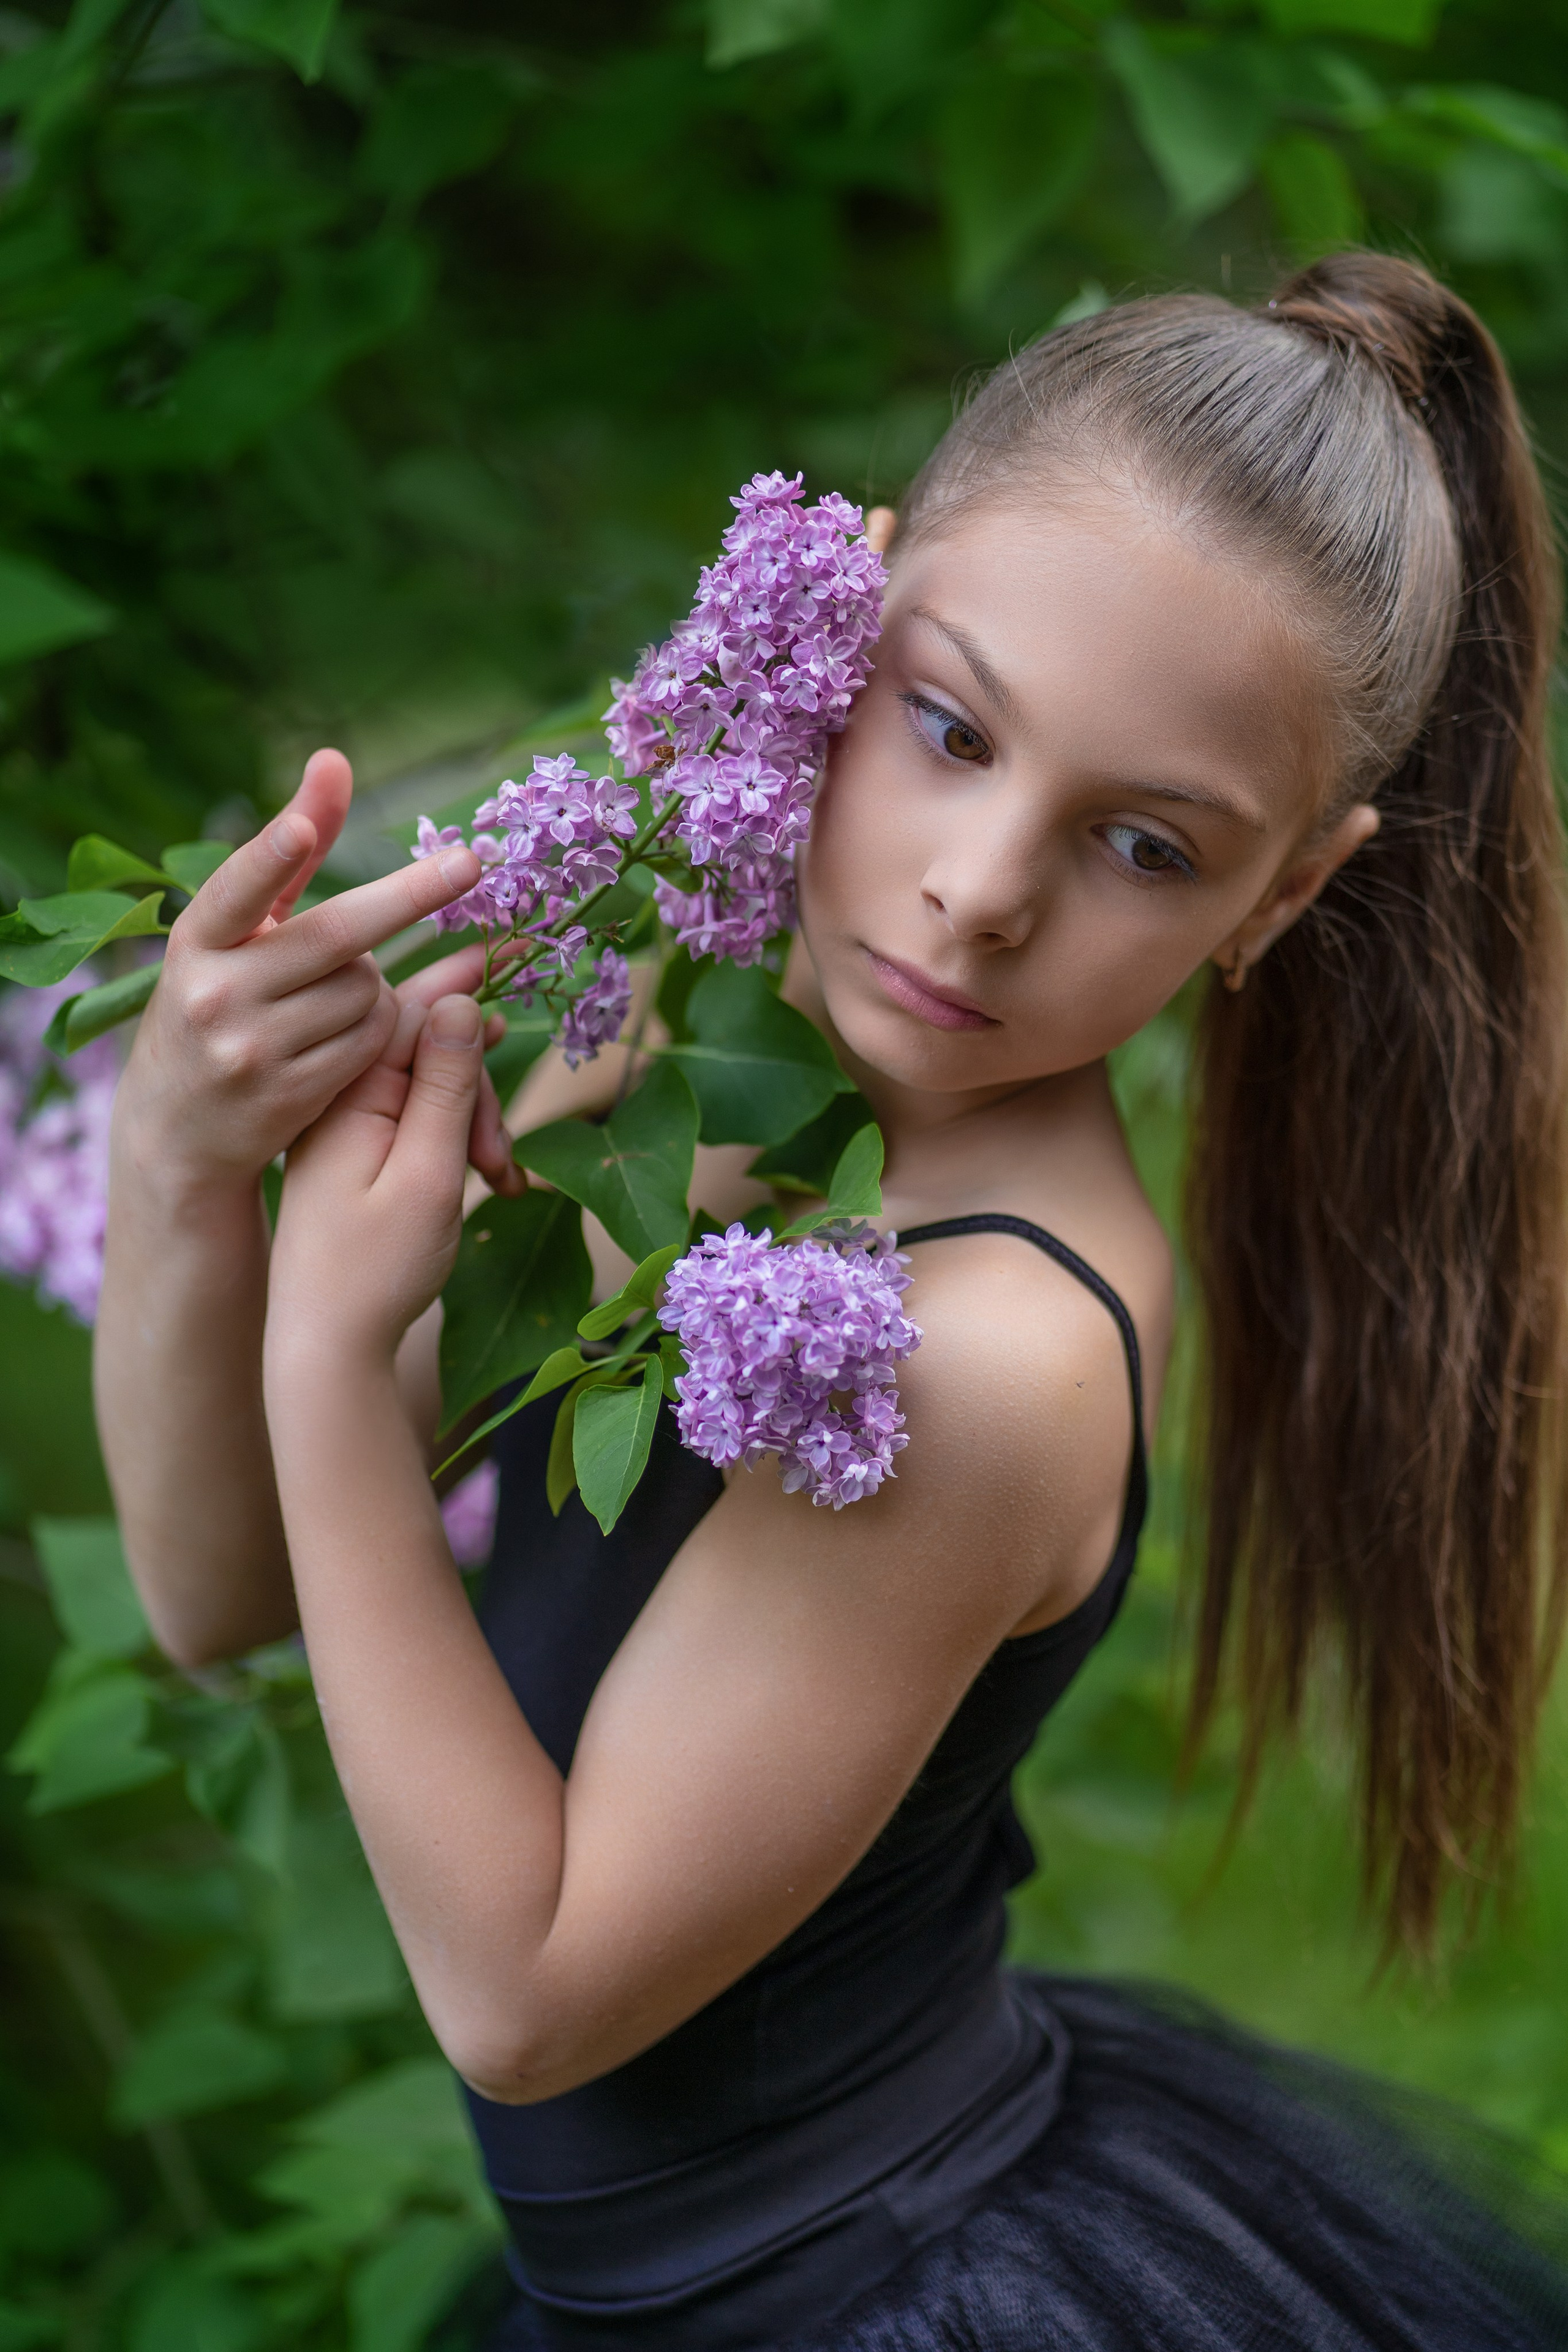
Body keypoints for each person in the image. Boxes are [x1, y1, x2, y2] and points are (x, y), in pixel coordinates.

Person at [95, 253, 1568, 2350]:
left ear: (1287, 898)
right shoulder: (690, 1045)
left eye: (1148, 846)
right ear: (839, 621)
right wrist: (181, 1160)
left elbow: (528, 1994)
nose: (985, 885)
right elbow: (219, 1585)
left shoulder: (997, 1357)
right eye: (949, 727)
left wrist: (334, 1359)